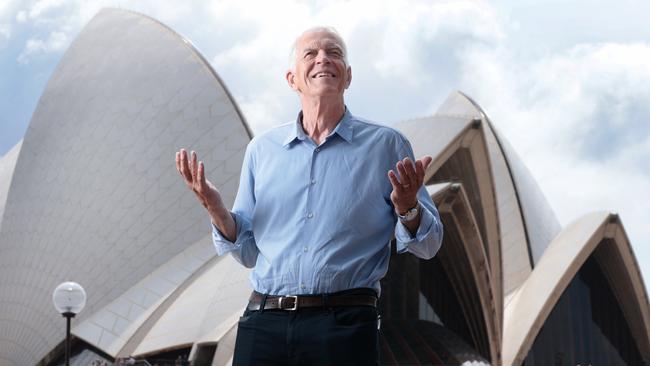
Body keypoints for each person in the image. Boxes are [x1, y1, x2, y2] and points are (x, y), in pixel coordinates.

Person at [175, 26, 443, 366]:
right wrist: (215, 209)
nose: (323, 60)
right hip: (263, 322)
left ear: (347, 76)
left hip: (344, 325)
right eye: (310, 54)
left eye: (334, 53)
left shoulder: (387, 145)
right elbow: (246, 251)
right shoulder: (261, 151)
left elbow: (428, 245)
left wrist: (408, 208)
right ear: (292, 79)